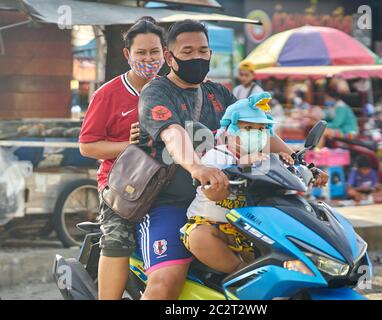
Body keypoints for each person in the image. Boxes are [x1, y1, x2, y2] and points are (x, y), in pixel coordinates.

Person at [135, 20, 329, 300]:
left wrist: (296, 161)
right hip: (170, 201)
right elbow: (173, 134)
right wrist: (197, 167)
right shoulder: (157, 92)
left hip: (235, 199)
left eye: (203, 50)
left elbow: (257, 130)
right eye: (187, 51)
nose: (197, 57)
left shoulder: (219, 93)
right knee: (166, 283)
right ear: (169, 57)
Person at [78, 17, 165, 300]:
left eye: (155, 52)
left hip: (169, 180)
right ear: (127, 54)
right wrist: (128, 145)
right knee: (117, 239)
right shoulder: (107, 94)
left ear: (166, 53)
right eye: (141, 53)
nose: (148, 58)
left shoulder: (173, 90)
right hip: (121, 183)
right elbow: (87, 147)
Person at [181, 92, 294, 274]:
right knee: (198, 237)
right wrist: (243, 165)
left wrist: (286, 164)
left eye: (261, 129)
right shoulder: (217, 155)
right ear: (231, 132)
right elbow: (213, 193)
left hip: (248, 229)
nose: (256, 134)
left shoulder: (265, 158)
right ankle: (241, 272)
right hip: (210, 224)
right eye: (248, 129)